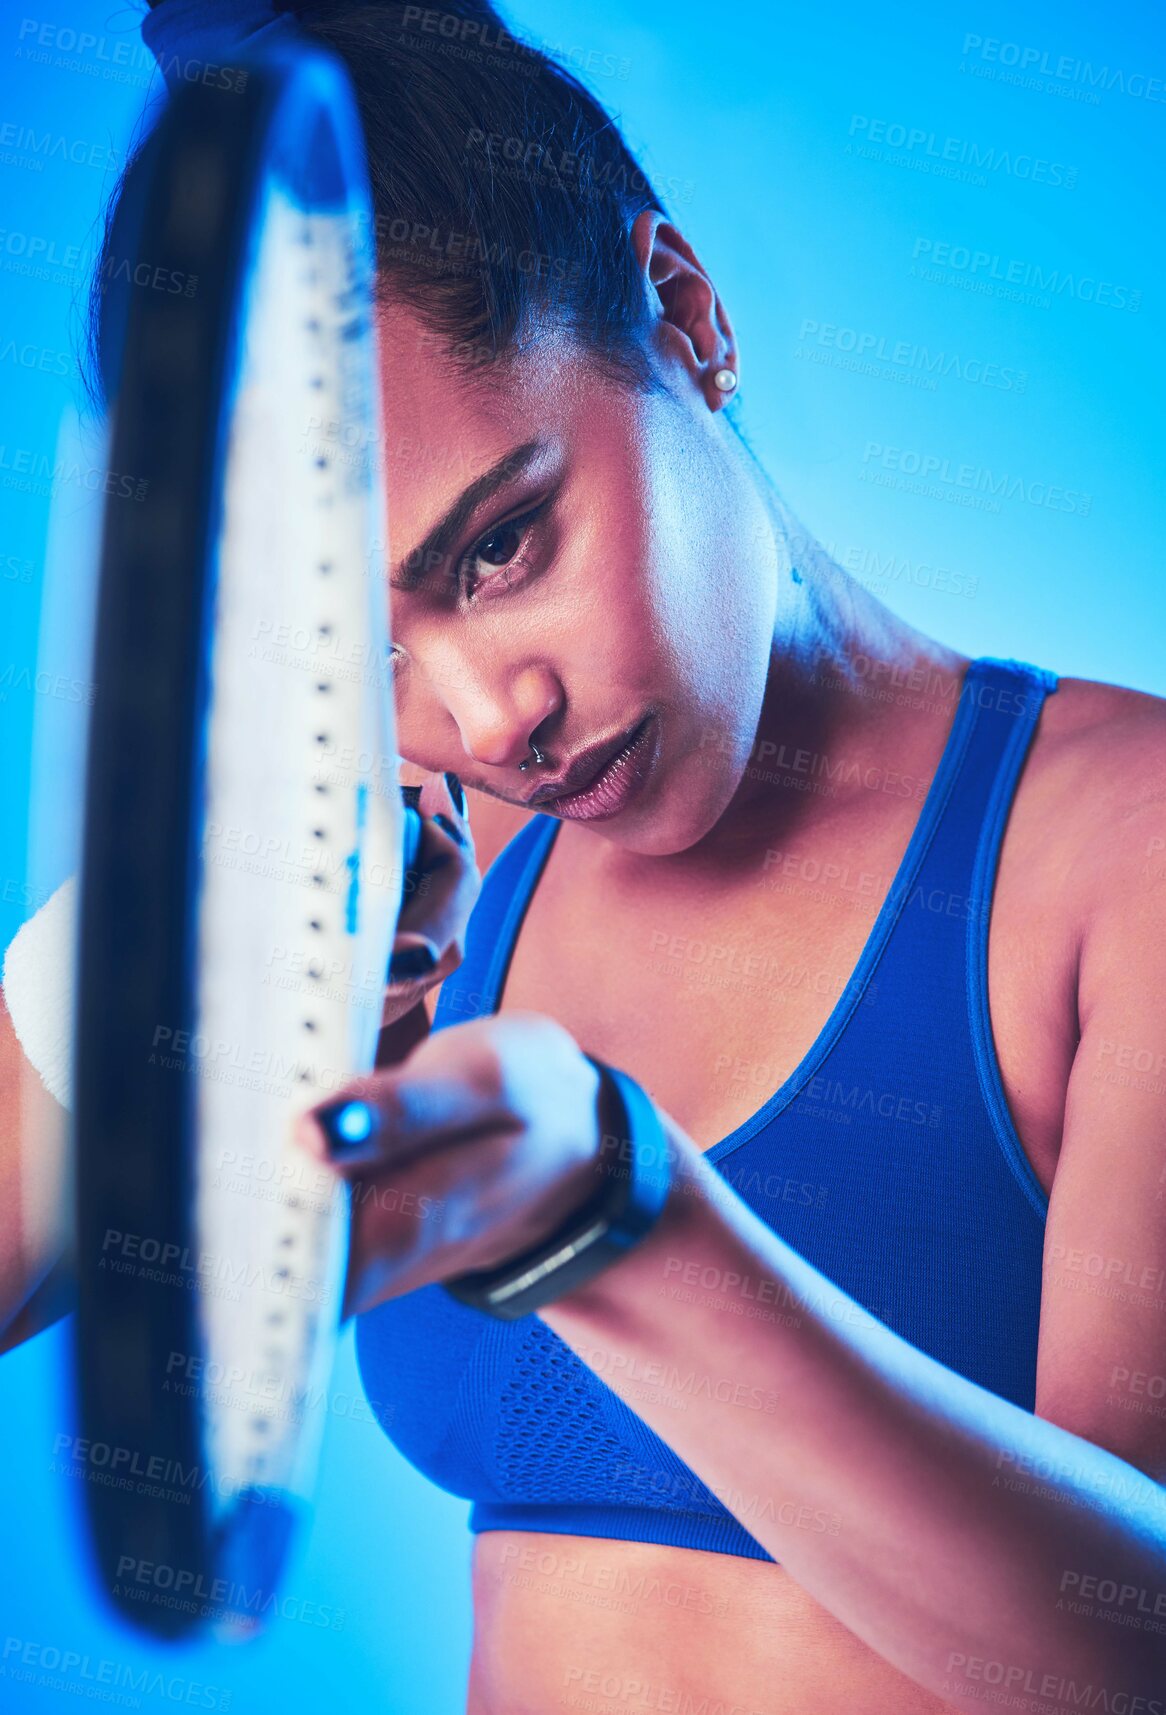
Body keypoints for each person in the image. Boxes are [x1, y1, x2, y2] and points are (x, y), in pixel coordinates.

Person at [3, 2, 1165, 1710]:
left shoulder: (1110, 848)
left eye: (495, 550)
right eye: (352, 650)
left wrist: (618, 1225)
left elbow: (1124, 1653)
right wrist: (110, 992)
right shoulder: (385, 884)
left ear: (686, 320)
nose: (487, 719)